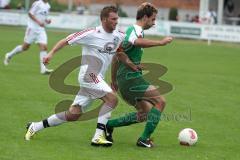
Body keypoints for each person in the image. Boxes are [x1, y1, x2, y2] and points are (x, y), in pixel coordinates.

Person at [24, 5, 140, 147]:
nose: (116, 21)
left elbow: (120, 53)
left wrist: (133, 66)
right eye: (113, 18)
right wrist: (50, 53)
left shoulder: (118, 36)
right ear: (104, 19)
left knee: (74, 114)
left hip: (98, 78)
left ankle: (35, 126)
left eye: (117, 18)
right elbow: (66, 40)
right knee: (112, 99)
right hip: (88, 75)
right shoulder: (91, 33)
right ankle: (98, 136)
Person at [105, 2, 173, 148]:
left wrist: (114, 79)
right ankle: (144, 139)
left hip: (125, 79)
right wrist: (160, 43)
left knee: (146, 113)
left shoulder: (131, 31)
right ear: (144, 17)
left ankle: (108, 125)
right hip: (131, 78)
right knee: (160, 101)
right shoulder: (134, 30)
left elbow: (117, 56)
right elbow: (136, 41)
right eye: (153, 19)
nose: (154, 23)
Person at [3, 0, 53, 74]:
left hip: (41, 30)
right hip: (32, 28)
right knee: (25, 47)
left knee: (44, 47)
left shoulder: (48, 6)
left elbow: (43, 17)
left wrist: (47, 21)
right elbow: (30, 13)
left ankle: (43, 69)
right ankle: (9, 55)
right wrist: (38, 22)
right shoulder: (38, 3)